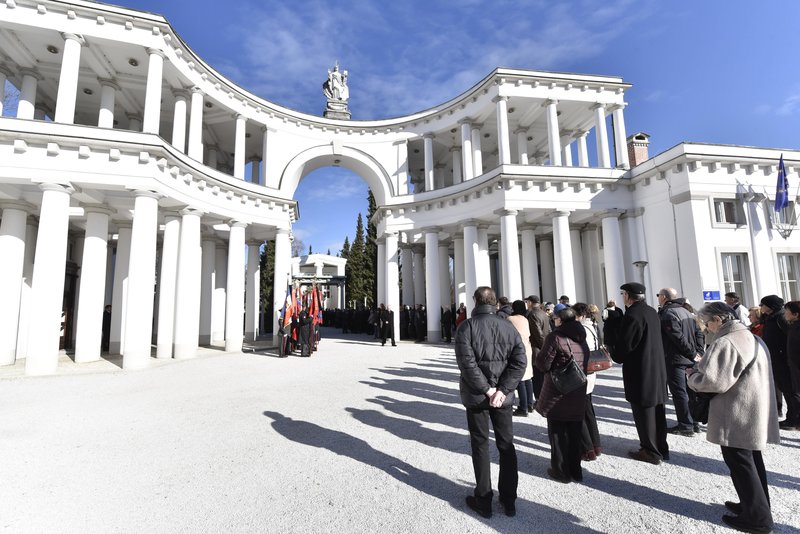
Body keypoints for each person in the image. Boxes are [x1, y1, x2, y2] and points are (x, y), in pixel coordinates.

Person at [687, 302, 780, 534]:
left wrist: (692, 377)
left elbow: (713, 381)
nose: (707, 328)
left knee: (741, 464)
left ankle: (758, 519)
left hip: (737, 411)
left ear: (719, 319)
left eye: (707, 323)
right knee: (751, 462)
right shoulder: (748, 335)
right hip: (751, 408)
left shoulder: (726, 341)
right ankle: (755, 506)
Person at [455, 287, 526, 519]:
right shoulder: (508, 326)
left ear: (476, 302)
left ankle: (484, 500)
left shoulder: (467, 327)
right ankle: (509, 501)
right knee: (506, 446)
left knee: (480, 445)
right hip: (502, 399)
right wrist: (502, 391)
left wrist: (487, 390)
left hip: (477, 396)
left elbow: (467, 364)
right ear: (495, 303)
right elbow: (519, 363)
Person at [605, 282, 669, 465]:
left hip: (641, 369)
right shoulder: (650, 311)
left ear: (627, 296)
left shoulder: (633, 315)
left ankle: (650, 450)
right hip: (656, 367)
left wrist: (614, 348)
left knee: (644, 411)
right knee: (658, 409)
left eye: (623, 293)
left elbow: (625, 347)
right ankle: (661, 447)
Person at [535, 307, 589, 483]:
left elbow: (543, 363)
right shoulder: (582, 335)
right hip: (578, 387)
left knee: (557, 432)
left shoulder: (556, 337)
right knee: (574, 432)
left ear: (560, 320)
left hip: (558, 389)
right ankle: (576, 470)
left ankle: (561, 470)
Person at [657, 288, 705, 436]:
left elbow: (676, 336)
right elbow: (699, 333)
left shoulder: (667, 313)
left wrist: (692, 353)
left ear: (664, 297)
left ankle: (685, 425)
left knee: (679, 392)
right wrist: (697, 353)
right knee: (691, 391)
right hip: (689, 358)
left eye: (659, 295)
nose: (658, 298)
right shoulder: (685, 311)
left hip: (676, 358)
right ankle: (694, 422)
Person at [572, 302, 602, 461]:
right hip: (591, 372)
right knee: (588, 409)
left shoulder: (581, 328)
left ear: (581, 315)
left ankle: (587, 448)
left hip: (581, 372)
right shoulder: (593, 326)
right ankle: (596, 444)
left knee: (580, 411)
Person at [760, 295, 792, 424]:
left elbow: (790, 336)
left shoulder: (780, 317)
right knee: (783, 387)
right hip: (774, 358)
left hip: (782, 358)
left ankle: (794, 418)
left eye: (763, 304)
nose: (761, 307)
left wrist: (785, 353)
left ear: (770, 306)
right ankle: (791, 416)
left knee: (789, 389)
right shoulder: (770, 317)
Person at [507, 300, 533, 417]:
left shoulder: (510, 319)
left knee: (520, 378)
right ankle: (530, 404)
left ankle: (523, 407)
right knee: (528, 378)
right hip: (527, 348)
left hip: (517, 349)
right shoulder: (525, 319)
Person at [525, 295, 551, 406]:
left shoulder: (533, 314)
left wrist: (544, 346)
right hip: (543, 346)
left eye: (527, 301)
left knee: (537, 377)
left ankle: (540, 399)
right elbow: (549, 330)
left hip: (537, 348)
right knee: (542, 376)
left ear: (530, 302)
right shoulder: (543, 313)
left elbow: (537, 334)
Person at [781, 301, 800, 430]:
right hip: (793, 366)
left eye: (787, 311)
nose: (785, 314)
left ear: (795, 314)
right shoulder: (793, 326)